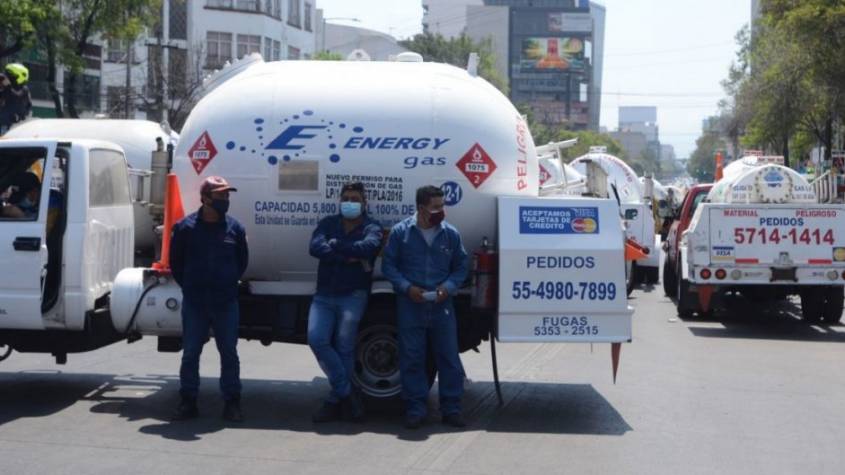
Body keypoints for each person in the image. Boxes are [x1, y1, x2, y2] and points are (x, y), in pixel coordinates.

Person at [382, 185, 469, 429]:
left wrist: (447, 288)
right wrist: (407, 287)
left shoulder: (450, 234)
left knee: (448, 357)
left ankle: (451, 409)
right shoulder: (401, 233)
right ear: (421, 208)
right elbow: (389, 266)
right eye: (436, 207)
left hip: (442, 306)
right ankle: (415, 409)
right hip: (411, 304)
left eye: (443, 206)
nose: (442, 211)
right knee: (412, 357)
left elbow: (461, 267)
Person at [169, 176, 249, 422]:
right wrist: (192, 286)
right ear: (205, 198)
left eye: (227, 195)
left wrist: (226, 282)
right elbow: (176, 264)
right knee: (191, 353)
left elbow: (242, 262)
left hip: (225, 302)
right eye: (220, 195)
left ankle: (232, 402)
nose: (225, 199)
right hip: (196, 303)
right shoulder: (185, 228)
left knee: (229, 352)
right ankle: (188, 401)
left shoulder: (235, 229)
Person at [307, 182, 383, 423]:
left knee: (345, 347)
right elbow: (315, 247)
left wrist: (337, 245)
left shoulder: (372, 226)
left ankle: (335, 399)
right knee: (317, 339)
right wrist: (348, 255)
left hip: (353, 295)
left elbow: (368, 248)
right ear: (340, 201)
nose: (350, 202)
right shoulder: (328, 223)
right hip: (324, 295)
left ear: (364, 203)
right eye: (346, 198)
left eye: (355, 199)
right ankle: (347, 393)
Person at [0, 63, 32, 134]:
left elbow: (16, 99)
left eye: (9, 75)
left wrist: (8, 87)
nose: (6, 77)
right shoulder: (4, 88)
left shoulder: (23, 90)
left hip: (11, 128)